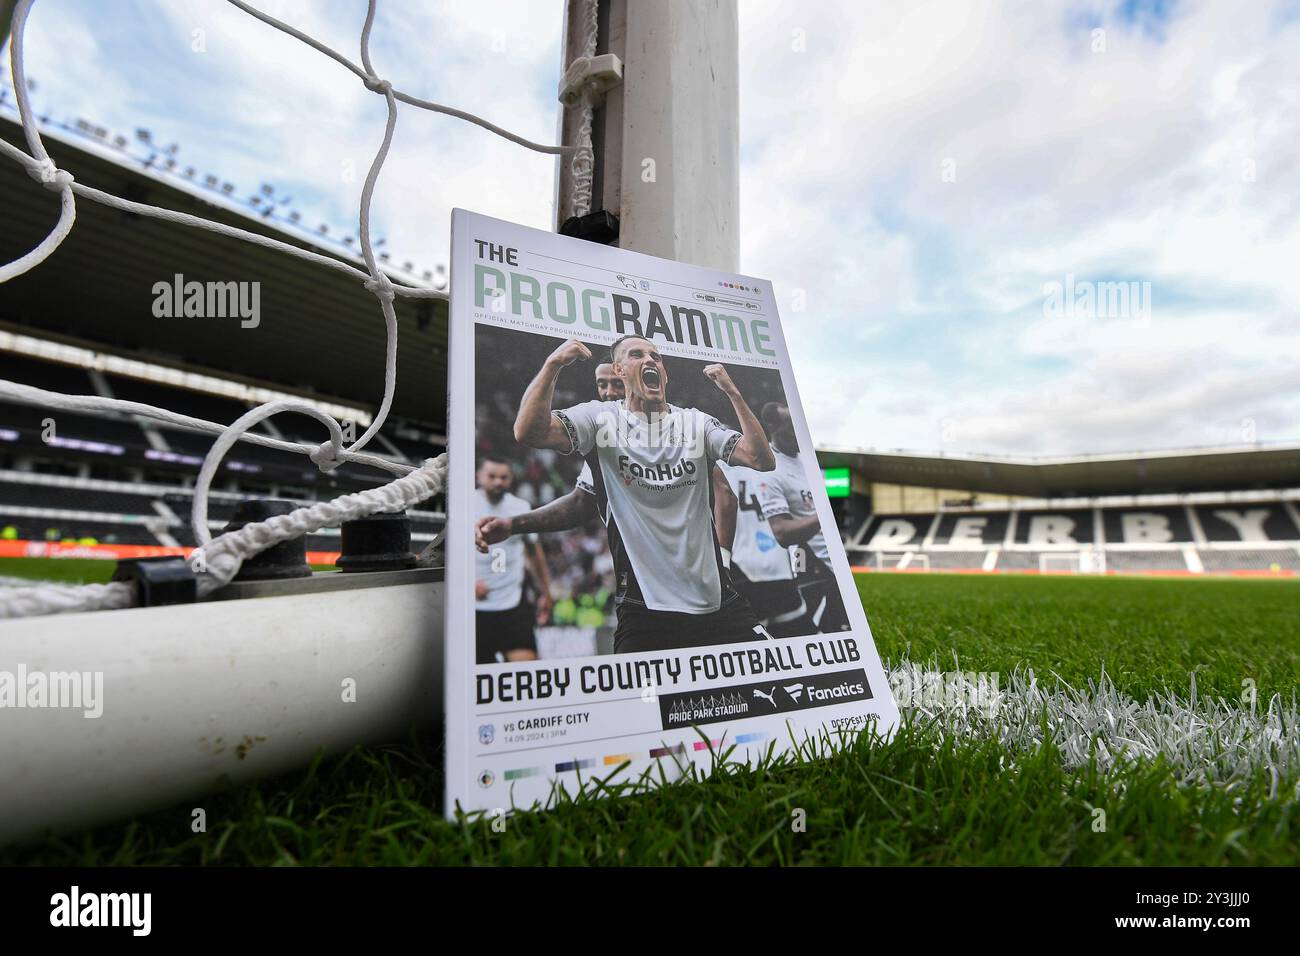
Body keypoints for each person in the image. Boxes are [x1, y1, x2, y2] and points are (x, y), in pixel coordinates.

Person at [513, 335, 775, 653]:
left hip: (717, 603)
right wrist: (553, 365)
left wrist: (732, 392)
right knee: (642, 704)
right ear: (619, 371)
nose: (650, 360)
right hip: (645, 610)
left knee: (779, 689)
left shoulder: (695, 422)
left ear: (664, 374)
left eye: (656, 357)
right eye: (637, 355)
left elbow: (761, 459)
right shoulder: (599, 420)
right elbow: (529, 431)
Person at [474, 362, 623, 550]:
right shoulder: (605, 441)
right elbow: (582, 503)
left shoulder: (669, 426)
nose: (609, 393)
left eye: (618, 383)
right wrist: (512, 525)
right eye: (602, 384)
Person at [756, 402, 850, 632]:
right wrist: (825, 515)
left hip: (839, 562)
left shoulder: (808, 459)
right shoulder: (770, 469)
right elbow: (781, 532)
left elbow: (836, 496)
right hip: (812, 567)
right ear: (772, 426)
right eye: (790, 426)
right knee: (827, 635)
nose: (798, 431)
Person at [711, 459, 806, 635]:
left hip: (742, 569)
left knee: (750, 641)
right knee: (795, 639)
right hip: (781, 569)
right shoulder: (776, 461)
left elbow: (724, 500)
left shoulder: (717, 463)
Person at [474, 457, 554, 663]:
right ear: (479, 477)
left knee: (526, 676)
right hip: (475, 609)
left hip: (514, 605)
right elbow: (447, 551)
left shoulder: (520, 507)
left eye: (504, 477)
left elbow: (534, 552)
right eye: (492, 476)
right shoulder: (465, 505)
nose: (498, 482)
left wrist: (545, 592)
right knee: (481, 682)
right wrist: (465, 585)